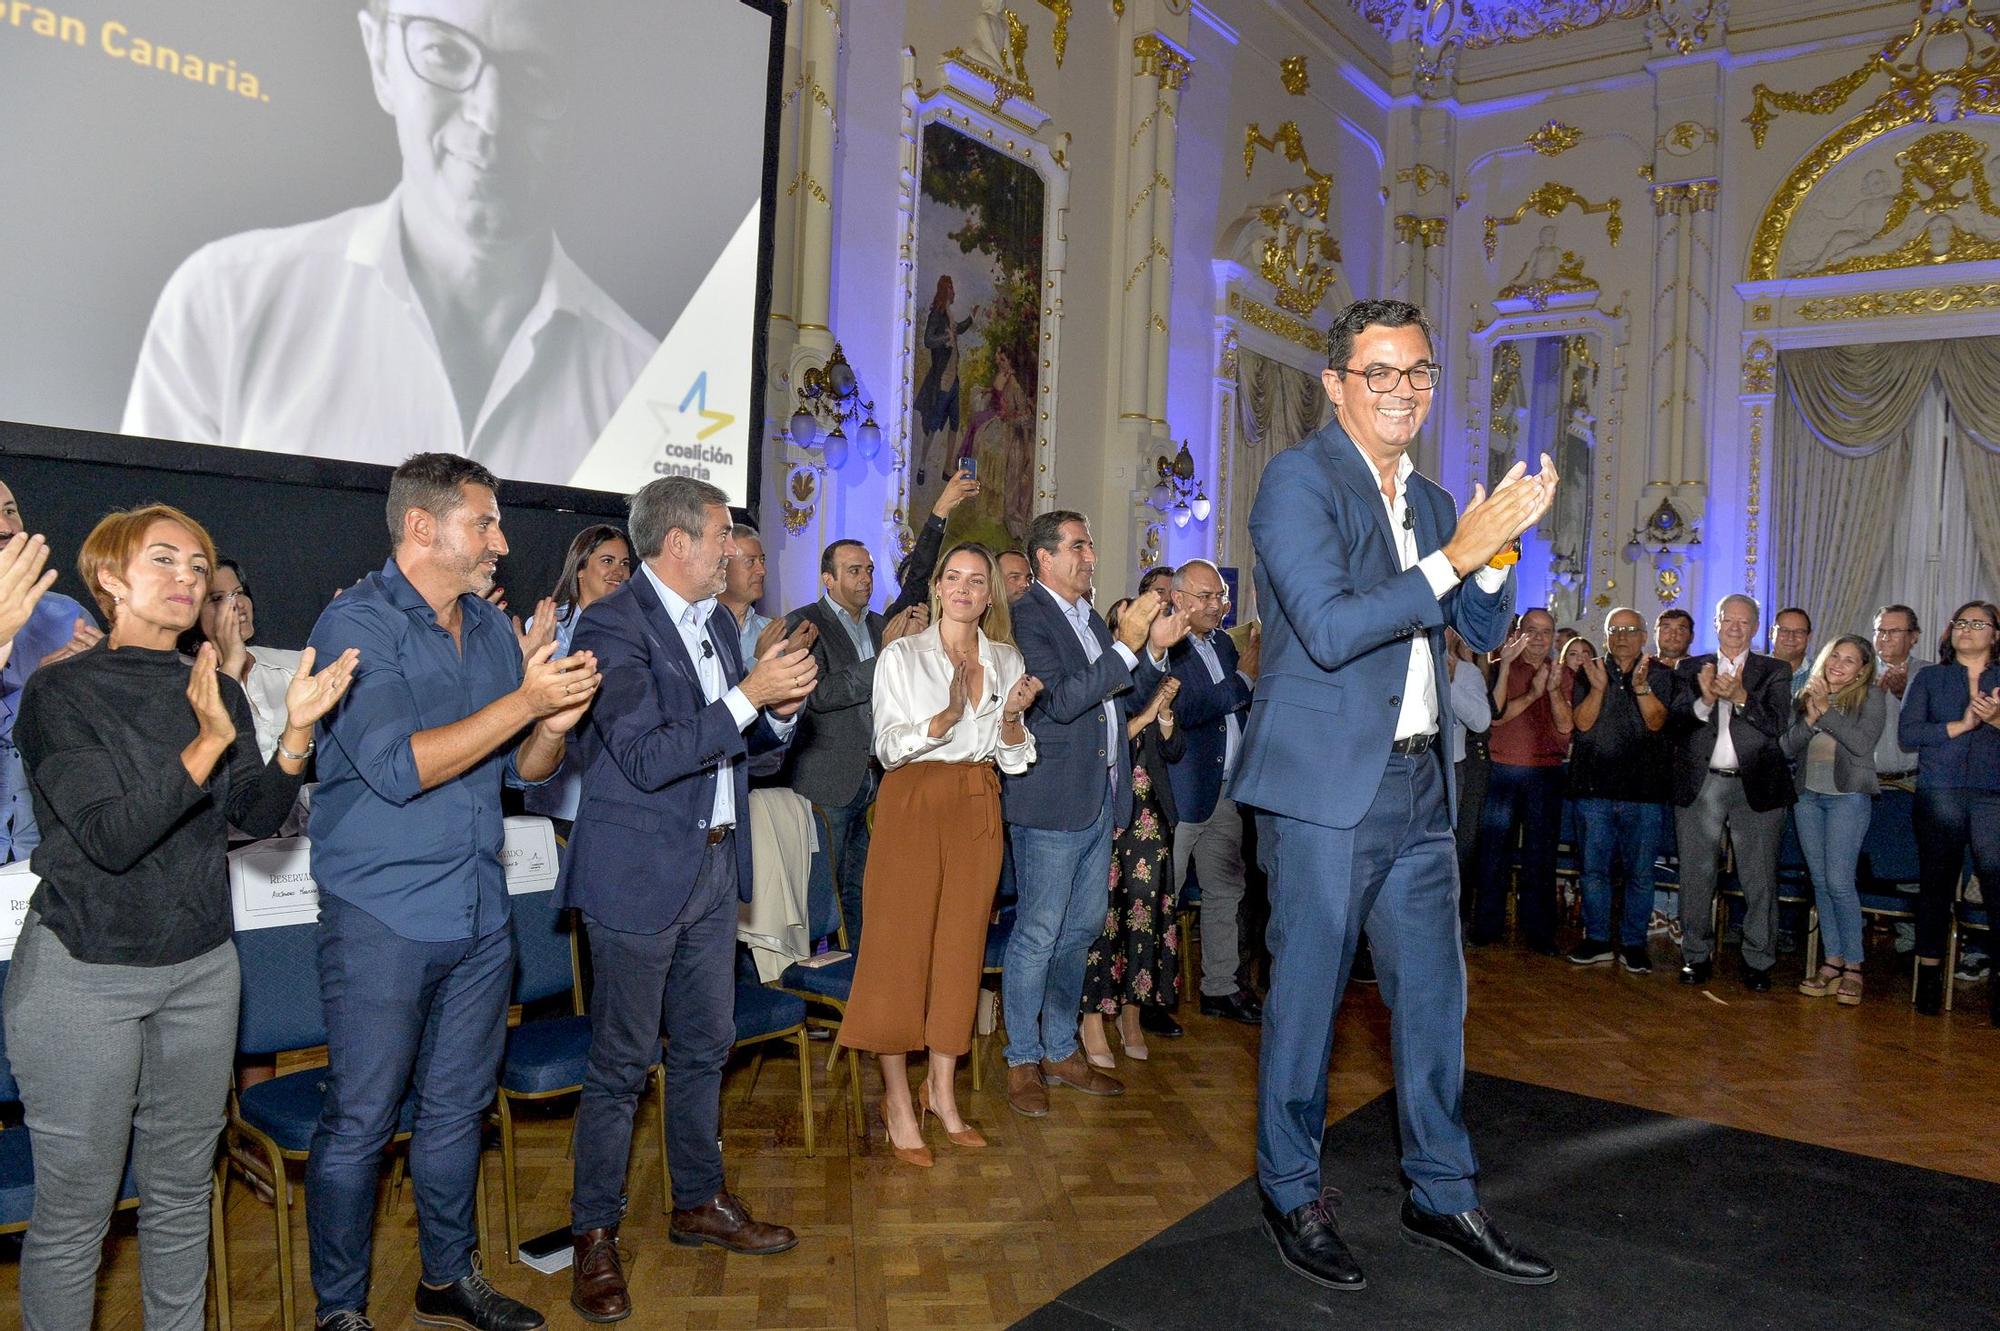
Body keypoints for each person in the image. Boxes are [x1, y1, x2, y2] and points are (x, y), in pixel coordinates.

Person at [1233, 297, 1557, 1291]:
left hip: (1420, 777)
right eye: (1378, 372)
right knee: (1308, 997)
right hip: (1325, 785)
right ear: (1335, 384)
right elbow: (1330, 628)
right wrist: (1458, 551)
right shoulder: (1296, 482)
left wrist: (1494, 548)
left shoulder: (1422, 499)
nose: (1401, 391)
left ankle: (1440, 1188)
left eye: (1416, 372)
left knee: (1431, 996)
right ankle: (1288, 1188)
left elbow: (1478, 619)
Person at [7, 506, 354, 1331]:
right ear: (110, 580)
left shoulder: (216, 686)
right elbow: (112, 838)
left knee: (180, 1196)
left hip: (200, 969)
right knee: (76, 1216)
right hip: (82, 978)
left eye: (199, 566)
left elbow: (255, 815)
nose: (189, 579)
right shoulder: (60, 690)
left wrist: (297, 734)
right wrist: (203, 742)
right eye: (165, 560)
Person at [304, 454, 600, 1331]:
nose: (502, 542)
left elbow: (524, 771)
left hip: (479, 910)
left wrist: (547, 719)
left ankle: (446, 1274)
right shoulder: (355, 622)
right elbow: (399, 768)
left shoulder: (484, 623)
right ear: (422, 527)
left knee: (458, 1109)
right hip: (383, 917)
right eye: (486, 523)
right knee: (361, 1121)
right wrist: (525, 699)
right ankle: (340, 1310)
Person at [123, 0, 656, 486]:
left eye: (532, 76)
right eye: (444, 53)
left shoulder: (645, 386)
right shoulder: (224, 304)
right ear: (380, 57)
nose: (488, 115)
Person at [559, 478, 816, 1323]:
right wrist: (749, 696)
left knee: (707, 1041)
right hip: (638, 872)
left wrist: (779, 713)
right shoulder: (610, 623)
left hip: (712, 866)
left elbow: (740, 753)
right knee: (622, 1062)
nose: (735, 555)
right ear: (677, 543)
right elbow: (645, 757)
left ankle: (697, 1199)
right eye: (722, 540)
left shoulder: (714, 624)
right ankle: (595, 1233)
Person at [838, 544, 1040, 1165]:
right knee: (899, 954)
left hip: (978, 802)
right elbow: (888, 747)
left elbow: (1014, 756)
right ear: (936, 587)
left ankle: (942, 1094)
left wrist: (1010, 722)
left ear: (988, 596)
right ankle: (898, 1099)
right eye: (953, 577)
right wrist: (946, 716)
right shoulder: (901, 655)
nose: (964, 588)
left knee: (960, 954)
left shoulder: (1005, 658)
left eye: (976, 581)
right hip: (913, 804)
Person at [1000, 511, 1178, 1117]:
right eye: (1078, 545)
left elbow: (1120, 692)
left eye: (1091, 544)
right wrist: (1127, 644)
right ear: (1044, 558)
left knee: (1080, 933)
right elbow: (1061, 704)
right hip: (1051, 800)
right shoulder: (1028, 615)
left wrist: (1150, 651)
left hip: (1101, 796)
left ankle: (1058, 1045)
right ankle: (1022, 1056)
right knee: (1038, 935)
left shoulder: (1086, 618)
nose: (1090, 556)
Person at [784, 472, 971, 946]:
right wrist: (883, 659)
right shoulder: (804, 623)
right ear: (827, 578)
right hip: (828, 780)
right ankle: (811, 991)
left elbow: (919, 579)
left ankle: (858, 984)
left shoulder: (877, 623)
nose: (866, 578)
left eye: (868, 570)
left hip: (876, 780)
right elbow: (818, 696)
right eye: (853, 570)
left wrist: (939, 515)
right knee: (817, 894)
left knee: (864, 890)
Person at [1667, 594, 1796, 992]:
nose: (1736, 628)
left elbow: (1776, 724)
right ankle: (1695, 955)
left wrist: (1740, 697)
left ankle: (1758, 960)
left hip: (1755, 785)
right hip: (1701, 784)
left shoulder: (1774, 670)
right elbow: (1674, 724)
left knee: (1758, 878)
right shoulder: (1691, 667)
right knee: (1695, 874)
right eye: (1729, 620)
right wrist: (1706, 699)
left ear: (1756, 628)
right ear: (1717, 623)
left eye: (1745, 622)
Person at [1163, 558, 1263, 1026]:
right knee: (1165, 895)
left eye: (1221, 596)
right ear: (1178, 600)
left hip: (1226, 789)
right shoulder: (1167, 647)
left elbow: (1235, 709)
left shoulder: (1223, 643)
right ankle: (1151, 996)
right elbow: (1188, 708)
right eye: (1206, 597)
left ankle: (1220, 988)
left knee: (1226, 890)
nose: (1218, 606)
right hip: (1184, 790)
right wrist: (1243, 679)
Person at [1896, 600, 2000, 1020]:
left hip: (1993, 794)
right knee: (1936, 886)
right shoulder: (1929, 678)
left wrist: (1994, 721)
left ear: (1995, 635)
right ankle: (1929, 983)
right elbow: (1909, 733)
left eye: (1979, 624)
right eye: (1961, 622)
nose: (1968, 629)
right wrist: (1961, 726)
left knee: (1997, 886)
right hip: (1940, 791)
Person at [1081, 666, 1183, 1066]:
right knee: (1101, 918)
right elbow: (1103, 744)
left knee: (1145, 919)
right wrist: (1145, 714)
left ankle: (1132, 1013)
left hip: (1149, 818)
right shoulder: (1100, 684)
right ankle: (1091, 1018)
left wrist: (1165, 714)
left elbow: (1175, 751)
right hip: (1103, 810)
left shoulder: (1164, 685)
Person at [1564, 609, 1670, 973]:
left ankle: (1633, 943)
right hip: (1594, 790)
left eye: (1630, 630)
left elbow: (1657, 722)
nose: (1622, 636)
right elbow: (1582, 723)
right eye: (1615, 630)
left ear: (1644, 636)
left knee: (1640, 873)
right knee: (1593, 871)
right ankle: (1596, 940)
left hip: (1644, 793)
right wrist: (1597, 689)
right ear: (1606, 635)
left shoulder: (1660, 674)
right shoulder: (1590, 669)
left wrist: (1640, 687)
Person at [1781, 635, 1885, 1005]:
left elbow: (1860, 744)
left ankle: (1854, 967)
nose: (1839, 665)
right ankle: (1832, 960)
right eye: (1834, 657)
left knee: (1841, 882)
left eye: (1850, 660)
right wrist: (1811, 715)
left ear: (1863, 669)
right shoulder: (1807, 696)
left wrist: (1826, 711)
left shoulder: (1872, 698)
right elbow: (1786, 747)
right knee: (1821, 882)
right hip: (1808, 795)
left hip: (1847, 798)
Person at [0, 478, 100, 862]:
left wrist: (99, 679)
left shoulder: (66, 616)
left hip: (54, 854)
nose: (6, 526)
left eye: (11, 510)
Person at [1472, 609, 1568, 953]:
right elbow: (1492, 722)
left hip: (1546, 774)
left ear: (1555, 637)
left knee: (1541, 857)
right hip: (1501, 771)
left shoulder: (1564, 673)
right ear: (1519, 634)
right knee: (1493, 853)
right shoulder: (1498, 667)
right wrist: (1531, 693)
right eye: (1532, 630)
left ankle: (1539, 933)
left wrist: (1553, 691)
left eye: (1546, 632)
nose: (1539, 638)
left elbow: (1566, 729)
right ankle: (1486, 927)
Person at [1444, 629, 1492, 917]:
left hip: (1451, 769)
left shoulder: (1465, 672)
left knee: (1452, 856)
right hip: (1400, 768)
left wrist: (1449, 684)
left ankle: (1453, 931)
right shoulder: (1398, 664)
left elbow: (1480, 721)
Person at [720, 523, 778, 664]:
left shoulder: (769, 630)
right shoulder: (700, 628)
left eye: (762, 560)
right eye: (750, 562)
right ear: (722, 568)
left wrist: (793, 654)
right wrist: (757, 659)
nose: (762, 571)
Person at [1771, 607, 1813, 697]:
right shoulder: (1753, 671)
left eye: (1799, 632)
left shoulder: (1819, 674)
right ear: (1771, 633)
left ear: (1809, 637)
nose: (1790, 637)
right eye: (1784, 630)